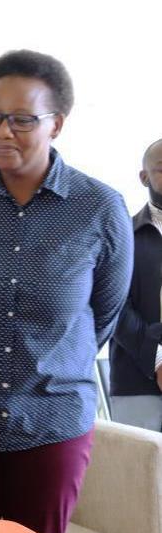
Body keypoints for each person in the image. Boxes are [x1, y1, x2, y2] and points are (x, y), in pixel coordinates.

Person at [0, 50, 133, 533]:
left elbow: (103, 315)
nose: (2, 132)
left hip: (52, 426)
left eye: (21, 119)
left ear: (56, 124)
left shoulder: (100, 208)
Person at [110, 139, 162, 429]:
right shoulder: (123, 236)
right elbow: (113, 305)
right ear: (144, 177)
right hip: (136, 382)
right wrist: (158, 358)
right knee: (143, 459)